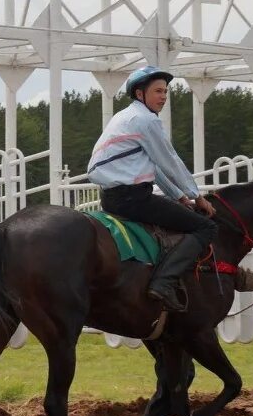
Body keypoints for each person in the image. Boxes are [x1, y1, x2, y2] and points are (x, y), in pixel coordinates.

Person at [88, 66, 219, 311]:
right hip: (132, 198)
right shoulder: (145, 120)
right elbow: (169, 160)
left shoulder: (124, 116)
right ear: (140, 94)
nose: (163, 97)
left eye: (166, 92)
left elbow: (155, 167)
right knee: (205, 226)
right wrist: (196, 197)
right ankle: (163, 283)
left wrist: (179, 196)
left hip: (112, 197)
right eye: (158, 91)